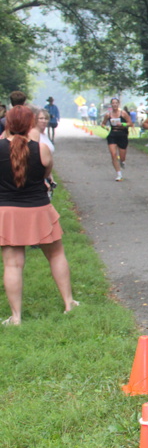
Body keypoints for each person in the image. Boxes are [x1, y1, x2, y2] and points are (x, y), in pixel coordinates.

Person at [0, 105, 77, 324]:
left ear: (8, 123)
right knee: (56, 255)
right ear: (30, 124)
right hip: (38, 209)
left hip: (7, 212)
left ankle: (16, 317)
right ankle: (69, 303)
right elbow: (46, 174)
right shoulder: (41, 149)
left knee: (13, 265)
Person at [101, 97, 133, 181]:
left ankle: (122, 161)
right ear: (111, 104)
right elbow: (103, 124)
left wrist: (123, 124)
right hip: (112, 135)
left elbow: (130, 123)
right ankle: (119, 174)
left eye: (116, 103)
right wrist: (106, 127)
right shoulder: (108, 114)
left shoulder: (123, 113)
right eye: (113, 103)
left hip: (122, 135)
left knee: (122, 157)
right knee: (113, 154)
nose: (114, 104)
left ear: (118, 104)